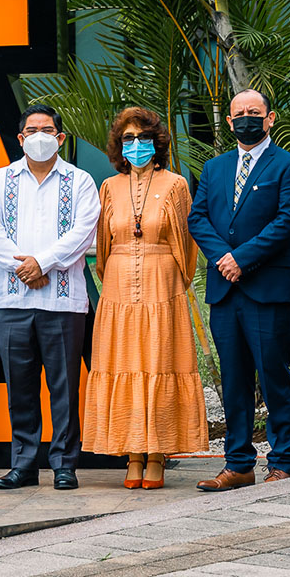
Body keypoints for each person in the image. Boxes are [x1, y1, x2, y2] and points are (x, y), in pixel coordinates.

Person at [82, 107, 208, 489]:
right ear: (119, 146)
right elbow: (104, 249)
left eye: (143, 138)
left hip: (163, 286)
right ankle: (132, 454)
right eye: (128, 139)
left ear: (158, 142)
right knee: (123, 363)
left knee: (159, 361)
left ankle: (157, 454)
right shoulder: (108, 187)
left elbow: (187, 247)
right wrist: (118, 279)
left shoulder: (175, 185)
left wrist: (172, 281)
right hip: (118, 289)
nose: (136, 146)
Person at [188, 90, 290, 490]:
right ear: (229, 121)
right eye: (239, 114)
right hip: (225, 291)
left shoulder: (288, 166)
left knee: (275, 377)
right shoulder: (215, 167)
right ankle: (238, 464)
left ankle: (282, 461)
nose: (245, 119)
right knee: (234, 381)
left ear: (269, 118)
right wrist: (225, 258)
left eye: (253, 113)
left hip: (266, 290)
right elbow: (198, 218)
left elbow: (288, 219)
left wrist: (243, 258)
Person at [0, 105, 99, 491]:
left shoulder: (80, 182)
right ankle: (24, 464)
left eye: (48, 129)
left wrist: (42, 263)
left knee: (63, 386)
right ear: (21, 138)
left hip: (63, 303)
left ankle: (64, 464)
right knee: (21, 387)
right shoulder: (1, 180)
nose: (40, 135)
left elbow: (83, 230)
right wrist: (22, 269)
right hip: (12, 302)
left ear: (60, 138)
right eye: (32, 129)